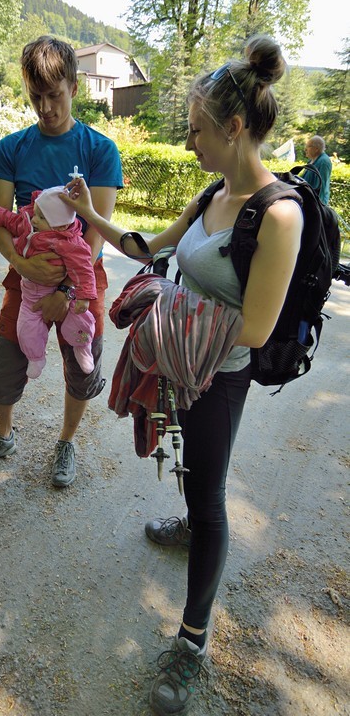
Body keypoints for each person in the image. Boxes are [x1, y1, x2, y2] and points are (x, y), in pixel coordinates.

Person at [60, 35, 302, 714]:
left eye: (197, 130)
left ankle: (192, 642)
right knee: (192, 470)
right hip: (182, 359)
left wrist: (163, 308)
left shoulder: (278, 216)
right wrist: (88, 214)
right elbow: (150, 249)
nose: (190, 141)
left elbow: (255, 329)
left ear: (234, 127)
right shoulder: (211, 194)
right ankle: (193, 523)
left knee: (209, 491)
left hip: (220, 376)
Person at [0, 35, 123, 488]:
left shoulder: (100, 150)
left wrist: (67, 292)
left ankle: (66, 441)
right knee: (4, 368)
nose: (46, 107)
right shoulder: (11, 148)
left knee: (82, 366)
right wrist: (21, 263)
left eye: (54, 95)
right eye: (36, 96)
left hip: (81, 279)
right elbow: (0, 219)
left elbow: (97, 231)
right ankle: (3, 437)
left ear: (74, 86)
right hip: (26, 275)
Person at [0, 185, 97, 379]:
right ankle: (35, 358)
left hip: (63, 289)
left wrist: (84, 297)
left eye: (41, 218)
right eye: (35, 213)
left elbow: (84, 269)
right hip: (31, 295)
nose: (34, 219)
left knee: (79, 320)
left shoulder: (70, 243)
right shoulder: (29, 223)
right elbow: (13, 221)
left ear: (60, 226)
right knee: (26, 329)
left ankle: (82, 346)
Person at [302, 135, 332, 204]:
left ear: (316, 149)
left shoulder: (323, 162)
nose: (305, 149)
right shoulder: (312, 160)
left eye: (308, 146)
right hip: (307, 201)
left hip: (315, 204)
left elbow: (321, 186)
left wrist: (317, 206)